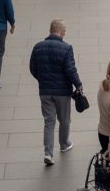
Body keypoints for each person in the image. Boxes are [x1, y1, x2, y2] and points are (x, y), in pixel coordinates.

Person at [29, 19, 83, 166]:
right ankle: (64, 144)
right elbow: (70, 70)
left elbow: (33, 68)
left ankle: (48, 153)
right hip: (62, 92)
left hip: (45, 91)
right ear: (62, 32)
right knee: (64, 120)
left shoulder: (37, 47)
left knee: (49, 121)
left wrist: (42, 80)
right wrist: (78, 84)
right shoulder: (66, 48)